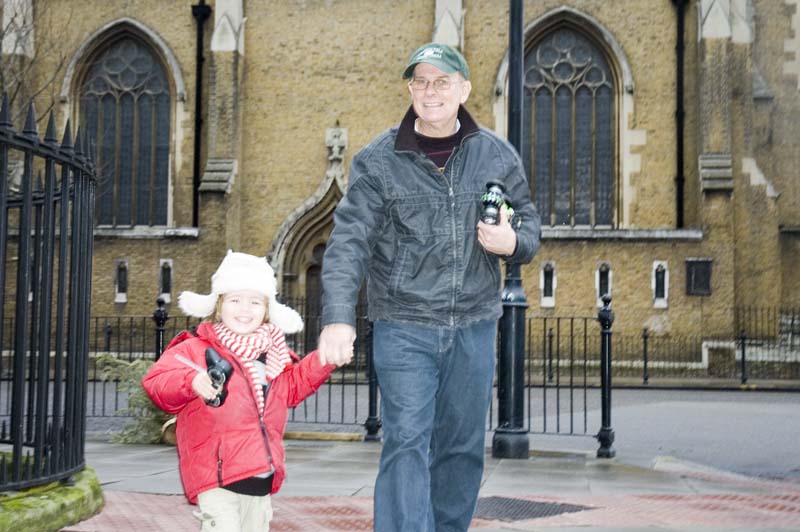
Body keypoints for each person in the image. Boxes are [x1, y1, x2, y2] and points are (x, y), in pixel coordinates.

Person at [318, 43, 541, 532]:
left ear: (464, 89)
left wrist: (512, 242)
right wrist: (337, 317)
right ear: (409, 90)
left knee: (461, 448)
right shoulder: (378, 160)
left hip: (474, 326)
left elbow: (529, 224)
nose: (430, 90)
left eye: (442, 81)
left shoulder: (496, 155)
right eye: (420, 81)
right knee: (406, 442)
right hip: (404, 326)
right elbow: (349, 241)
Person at [142, 251, 346, 532]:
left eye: (255, 302)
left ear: (266, 310)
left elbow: (294, 386)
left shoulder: (274, 356)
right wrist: (192, 381)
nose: (244, 309)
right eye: (235, 300)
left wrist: (325, 358)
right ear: (219, 305)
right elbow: (156, 382)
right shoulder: (195, 349)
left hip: (261, 477)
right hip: (217, 478)